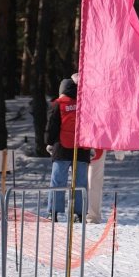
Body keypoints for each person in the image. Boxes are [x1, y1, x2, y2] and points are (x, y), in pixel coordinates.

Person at [45, 76, 91, 222]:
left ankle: (54, 212)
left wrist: (49, 142)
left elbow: (52, 126)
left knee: (58, 181)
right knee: (81, 182)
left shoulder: (58, 104)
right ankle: (80, 213)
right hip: (82, 149)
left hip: (62, 148)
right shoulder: (85, 104)